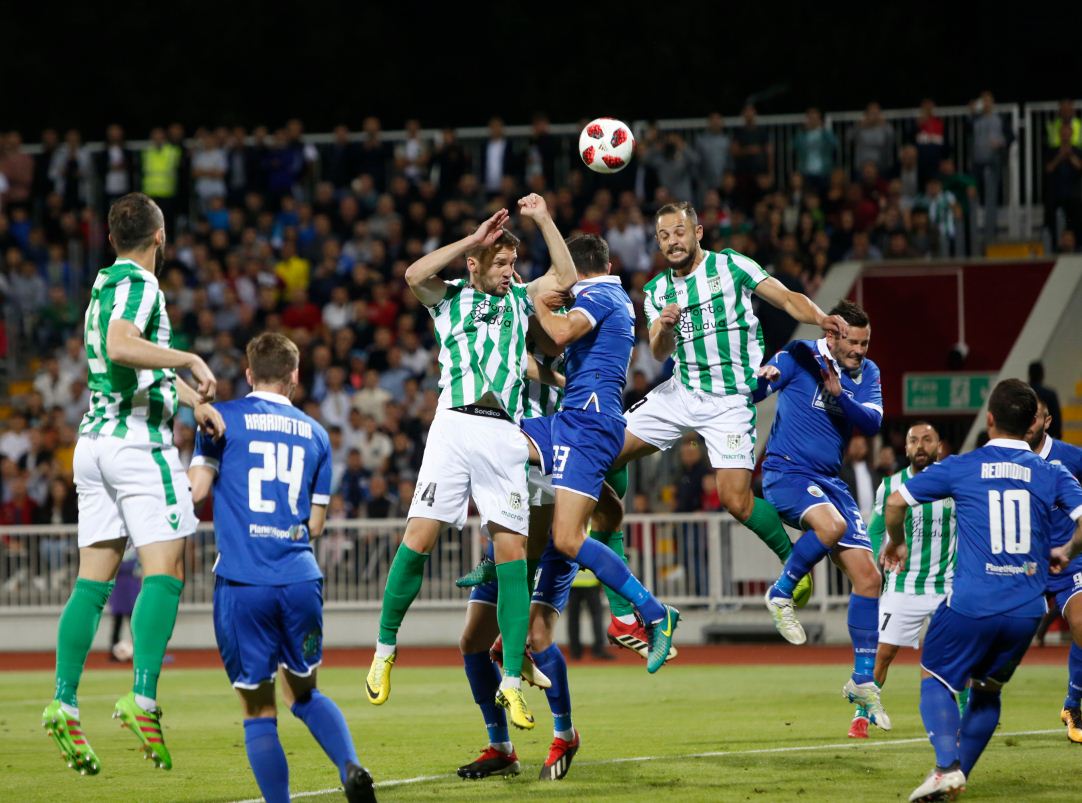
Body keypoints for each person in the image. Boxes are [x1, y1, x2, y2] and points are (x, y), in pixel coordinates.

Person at [591, 201, 843, 654]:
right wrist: (664, 325)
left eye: (679, 232)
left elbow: (786, 298)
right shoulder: (656, 290)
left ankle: (790, 560)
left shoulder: (731, 266)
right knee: (603, 453)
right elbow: (660, 350)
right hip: (681, 392)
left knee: (735, 500)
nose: (672, 241)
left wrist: (821, 319)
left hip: (729, 402)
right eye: (663, 236)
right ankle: (620, 601)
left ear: (698, 232)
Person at [365, 194, 576, 731]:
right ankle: (385, 649)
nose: (509, 271)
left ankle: (511, 683)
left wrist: (543, 219)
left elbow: (566, 275)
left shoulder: (521, 299)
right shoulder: (448, 298)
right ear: (474, 263)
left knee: (512, 554)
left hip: (503, 432)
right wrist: (474, 238)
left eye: (512, 263)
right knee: (419, 537)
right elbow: (413, 273)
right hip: (454, 425)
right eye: (499, 263)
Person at [41, 192, 223, 775]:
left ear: (112, 237)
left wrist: (193, 401)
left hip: (94, 444)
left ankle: (65, 702)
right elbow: (123, 346)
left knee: (91, 584)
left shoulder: (102, 284)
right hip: (137, 446)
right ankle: (142, 698)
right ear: (160, 236)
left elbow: (130, 365)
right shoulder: (142, 285)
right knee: (167, 570)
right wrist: (189, 358)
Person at [189, 332, 375, 803]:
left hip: (244, 580)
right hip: (299, 580)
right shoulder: (316, 434)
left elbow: (197, 492)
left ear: (248, 373)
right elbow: (316, 524)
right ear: (294, 375)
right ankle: (349, 764)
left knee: (258, 709)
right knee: (304, 693)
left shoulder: (220, 419)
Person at [882, 379, 1082, 801]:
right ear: (1032, 423)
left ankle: (945, 766)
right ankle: (953, 778)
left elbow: (895, 503)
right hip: (1026, 612)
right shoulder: (1052, 472)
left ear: (990, 420)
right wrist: (1067, 550)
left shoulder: (962, 466)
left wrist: (896, 542)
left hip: (972, 603)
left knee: (935, 676)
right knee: (988, 691)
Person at [520, 234, 680, 673]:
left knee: (567, 539)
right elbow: (553, 347)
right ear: (607, 265)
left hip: (588, 426)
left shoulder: (600, 294)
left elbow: (557, 334)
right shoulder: (610, 296)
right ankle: (624, 617)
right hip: (575, 419)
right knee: (494, 440)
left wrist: (535, 300)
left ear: (575, 274)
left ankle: (653, 612)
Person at [757, 300, 888, 729]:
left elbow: (871, 423)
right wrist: (758, 378)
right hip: (787, 472)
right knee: (831, 527)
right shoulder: (799, 355)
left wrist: (839, 396)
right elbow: (756, 390)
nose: (861, 351)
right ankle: (781, 593)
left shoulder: (867, 373)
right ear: (832, 334)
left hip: (829, 482)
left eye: (865, 343)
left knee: (869, 578)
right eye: (854, 343)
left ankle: (862, 681)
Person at [850, 422, 956, 739]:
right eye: (913, 441)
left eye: (927, 439)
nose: (920, 445)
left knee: (955, 657)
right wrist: (872, 570)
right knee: (883, 653)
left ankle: (962, 716)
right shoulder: (890, 485)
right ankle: (861, 714)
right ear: (906, 448)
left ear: (939, 445)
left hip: (947, 585)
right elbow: (874, 530)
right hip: (903, 584)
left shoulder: (955, 482)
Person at [1023, 398, 1082, 743]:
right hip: (1021, 563)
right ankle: (973, 705)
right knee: (989, 635)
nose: (1029, 422)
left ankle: (1073, 704)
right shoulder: (1006, 458)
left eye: (1036, 417)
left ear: (1047, 422)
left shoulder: (1071, 457)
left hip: (1067, 561)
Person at [1028, 361, 1063, 440]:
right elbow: (1056, 421)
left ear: (1029, 374)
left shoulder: (1022, 393)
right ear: (1042, 374)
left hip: (1025, 438)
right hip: (1046, 438)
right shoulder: (1050, 394)